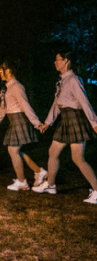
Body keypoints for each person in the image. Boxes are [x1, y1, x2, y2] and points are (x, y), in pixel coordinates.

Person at [33, 52, 97, 204]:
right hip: (65, 121)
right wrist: (48, 123)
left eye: (57, 59)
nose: (55, 62)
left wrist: (95, 123)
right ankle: (51, 185)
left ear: (66, 61)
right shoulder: (62, 81)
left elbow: (84, 102)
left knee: (78, 158)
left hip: (76, 120)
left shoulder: (74, 80)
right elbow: (56, 104)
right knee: (53, 152)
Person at [0, 60, 48, 191]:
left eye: (0, 70)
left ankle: (22, 182)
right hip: (13, 121)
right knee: (16, 151)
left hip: (19, 120)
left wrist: (37, 124)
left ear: (8, 71)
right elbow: (3, 109)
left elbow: (26, 106)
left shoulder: (17, 87)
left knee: (13, 150)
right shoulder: (6, 88)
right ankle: (39, 172)